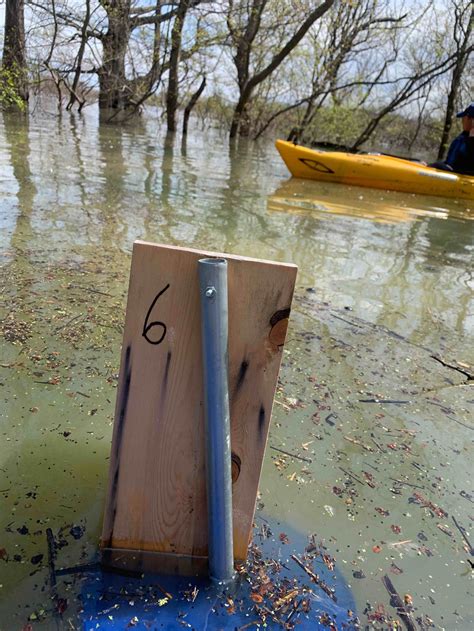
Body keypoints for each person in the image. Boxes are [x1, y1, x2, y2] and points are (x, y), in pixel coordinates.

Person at [429, 103, 474, 175]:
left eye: (464, 117)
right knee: (419, 162)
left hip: (462, 177)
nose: (462, 120)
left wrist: (472, 137)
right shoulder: (462, 138)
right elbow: (449, 162)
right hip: (452, 172)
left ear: (471, 119)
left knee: (436, 166)